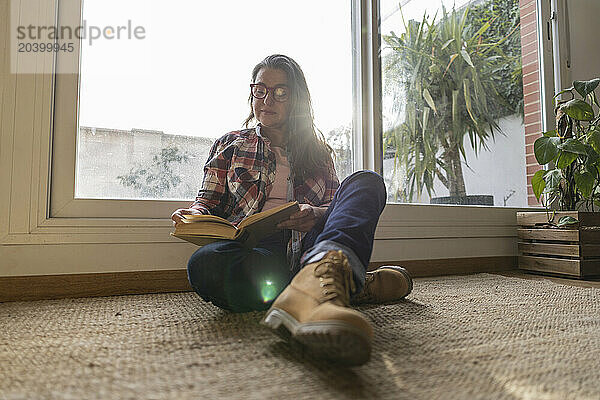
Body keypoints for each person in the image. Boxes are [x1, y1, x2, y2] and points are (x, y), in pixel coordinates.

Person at [171, 54, 413, 366]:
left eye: (280, 92)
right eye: (260, 90)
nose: (267, 99)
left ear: (296, 99)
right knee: (204, 264)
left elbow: (336, 208)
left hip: (311, 246)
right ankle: (341, 286)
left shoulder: (319, 153)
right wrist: (194, 215)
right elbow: (208, 202)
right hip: (258, 254)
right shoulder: (229, 145)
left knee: (366, 181)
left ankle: (317, 278)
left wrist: (315, 213)